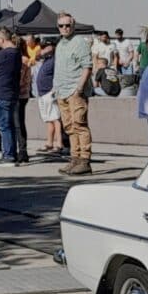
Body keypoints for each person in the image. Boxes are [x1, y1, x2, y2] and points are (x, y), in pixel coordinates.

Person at [52, 13, 94, 175]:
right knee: (69, 127)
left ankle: (85, 160)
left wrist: (79, 88)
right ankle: (75, 158)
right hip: (62, 90)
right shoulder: (61, 44)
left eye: (67, 25)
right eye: (61, 26)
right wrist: (56, 89)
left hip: (74, 90)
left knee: (80, 124)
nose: (64, 28)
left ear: (73, 26)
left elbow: (87, 66)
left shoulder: (79, 43)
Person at [0, 28, 22, 167]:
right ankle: (11, 153)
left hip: (2, 93)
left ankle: (9, 155)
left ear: (2, 39)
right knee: (9, 125)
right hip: (12, 93)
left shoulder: (3, 54)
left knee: (3, 126)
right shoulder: (16, 53)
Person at [33, 39, 63, 155]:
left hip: (50, 93)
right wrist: (43, 51)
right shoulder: (47, 58)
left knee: (55, 118)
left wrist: (53, 90)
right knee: (48, 119)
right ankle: (49, 143)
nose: (43, 48)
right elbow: (36, 57)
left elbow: (59, 75)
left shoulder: (56, 58)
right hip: (42, 94)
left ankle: (59, 144)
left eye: (46, 46)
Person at [14, 38, 32, 163]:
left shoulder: (22, 61)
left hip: (19, 95)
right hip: (23, 95)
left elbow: (19, 80)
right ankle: (22, 149)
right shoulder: (26, 59)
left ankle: (22, 150)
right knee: (19, 122)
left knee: (18, 123)